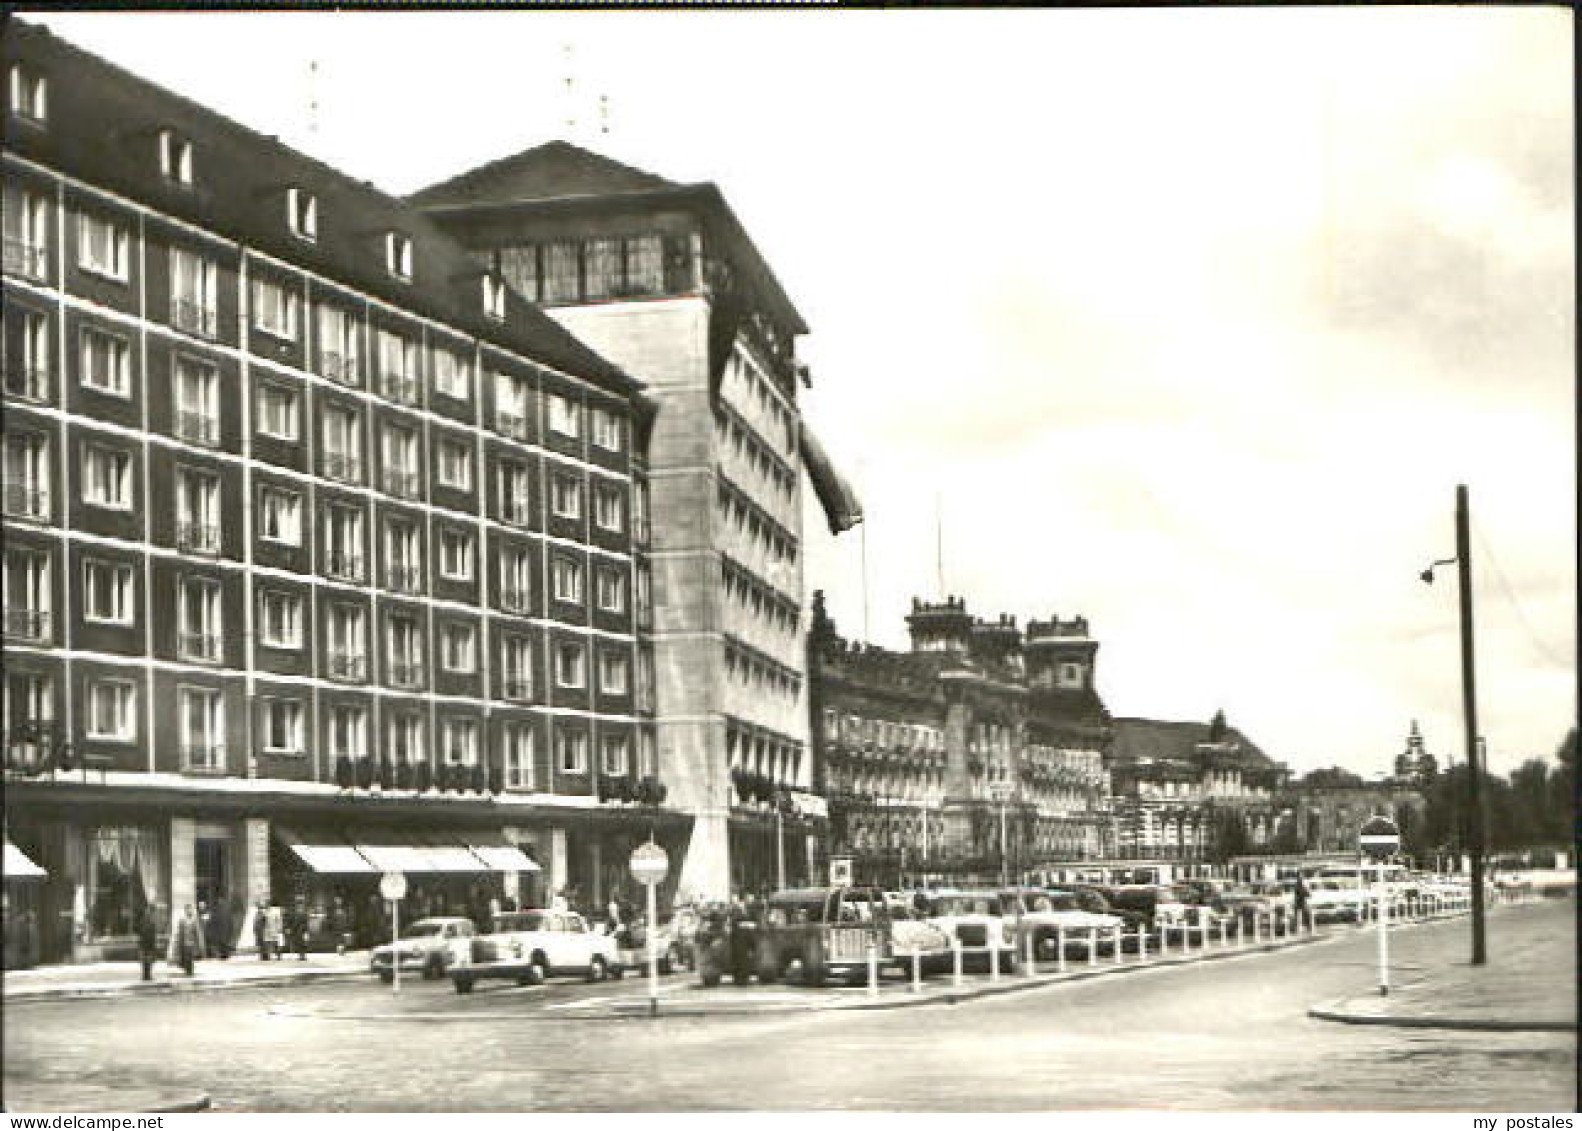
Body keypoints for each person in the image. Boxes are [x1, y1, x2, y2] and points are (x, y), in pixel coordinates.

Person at [169, 904, 204, 976]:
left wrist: (200, 945)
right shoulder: (182, 920)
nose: (190, 911)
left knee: (190, 959)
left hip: (191, 943)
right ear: (185, 911)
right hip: (184, 943)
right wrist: (177, 944)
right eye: (188, 909)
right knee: (185, 958)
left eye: (191, 909)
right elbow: (179, 933)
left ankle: (190, 972)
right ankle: (188, 971)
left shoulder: (194, 920)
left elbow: (197, 933)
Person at [135, 903, 160, 981]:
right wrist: (153, 943)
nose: (155, 913)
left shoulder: (145, 919)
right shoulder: (148, 920)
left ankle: (146, 976)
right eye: (154, 911)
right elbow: (146, 932)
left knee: (147, 960)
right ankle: (147, 976)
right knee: (148, 960)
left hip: (145, 943)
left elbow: (140, 930)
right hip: (147, 943)